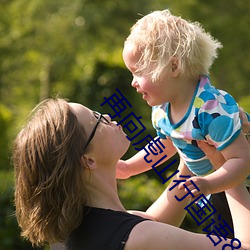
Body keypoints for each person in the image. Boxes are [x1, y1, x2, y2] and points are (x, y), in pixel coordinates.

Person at [13, 98, 250, 250]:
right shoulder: (139, 238)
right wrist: (228, 167)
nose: (107, 116)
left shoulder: (74, 234)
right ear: (88, 160)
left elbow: (154, 221)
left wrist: (189, 140)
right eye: (97, 120)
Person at [120, 9, 250, 224]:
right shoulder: (162, 108)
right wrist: (128, 167)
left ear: (173, 66)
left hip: (238, 183)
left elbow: (241, 161)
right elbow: (167, 144)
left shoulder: (211, 109)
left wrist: (209, 184)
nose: (133, 82)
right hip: (210, 180)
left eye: (139, 72)